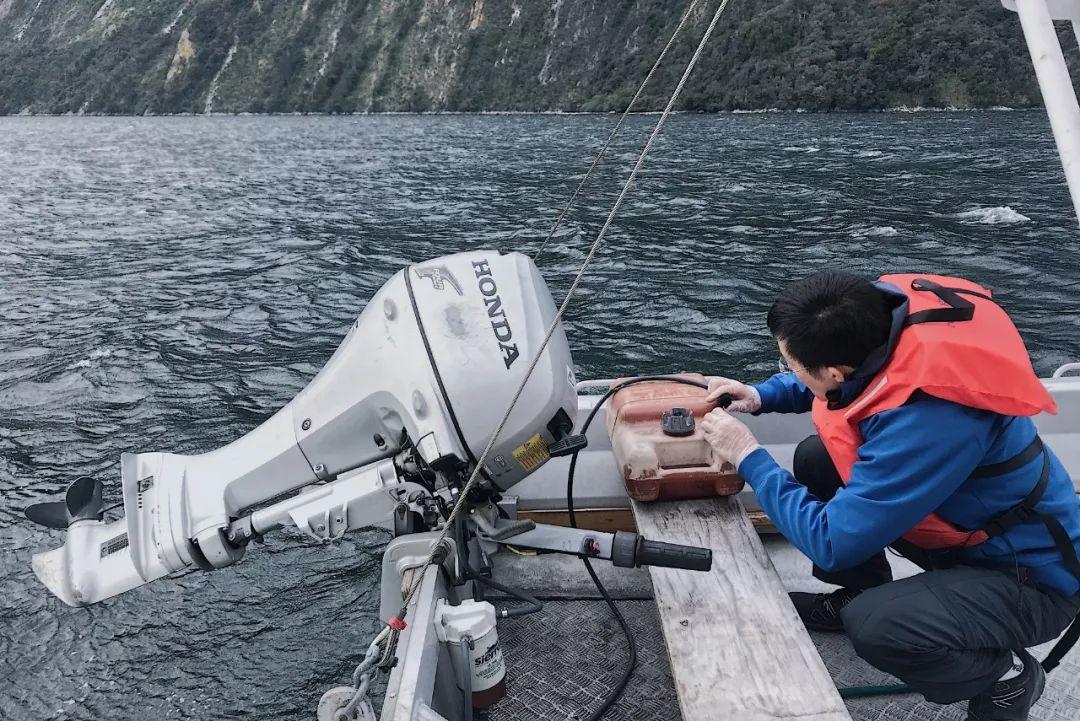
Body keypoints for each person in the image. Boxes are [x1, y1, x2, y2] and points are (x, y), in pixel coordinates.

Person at [698, 270, 1080, 721]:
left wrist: (749, 458)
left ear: (835, 371)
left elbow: (830, 541)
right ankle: (862, 591)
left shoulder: (932, 422)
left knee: (879, 626)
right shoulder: (879, 326)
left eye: (792, 367)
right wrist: (761, 395)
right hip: (962, 532)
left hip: (1030, 579)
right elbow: (849, 385)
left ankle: (1007, 675)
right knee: (820, 456)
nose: (790, 373)